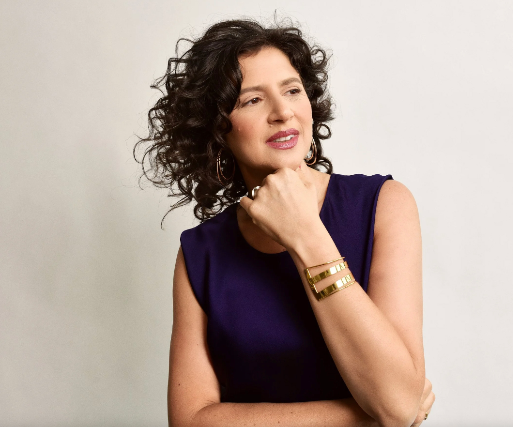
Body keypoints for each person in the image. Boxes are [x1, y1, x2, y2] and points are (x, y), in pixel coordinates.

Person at [136, 17, 435, 427]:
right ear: (218, 129)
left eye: (292, 90)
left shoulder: (383, 204)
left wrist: (306, 234)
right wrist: (365, 417)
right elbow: (190, 421)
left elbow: (397, 402)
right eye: (252, 100)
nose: (282, 112)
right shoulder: (201, 253)